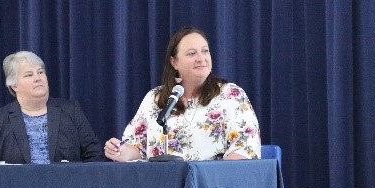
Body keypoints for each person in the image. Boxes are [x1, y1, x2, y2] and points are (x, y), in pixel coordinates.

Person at [104, 27, 261, 161]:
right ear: (174, 62)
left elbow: (245, 149)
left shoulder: (231, 95)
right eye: (192, 53)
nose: (201, 58)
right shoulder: (155, 98)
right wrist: (119, 151)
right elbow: (136, 147)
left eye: (205, 51)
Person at [0, 51, 103, 164]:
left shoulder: (70, 110)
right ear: (14, 85)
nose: (38, 78)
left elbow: (94, 155)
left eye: (40, 72)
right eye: (29, 75)